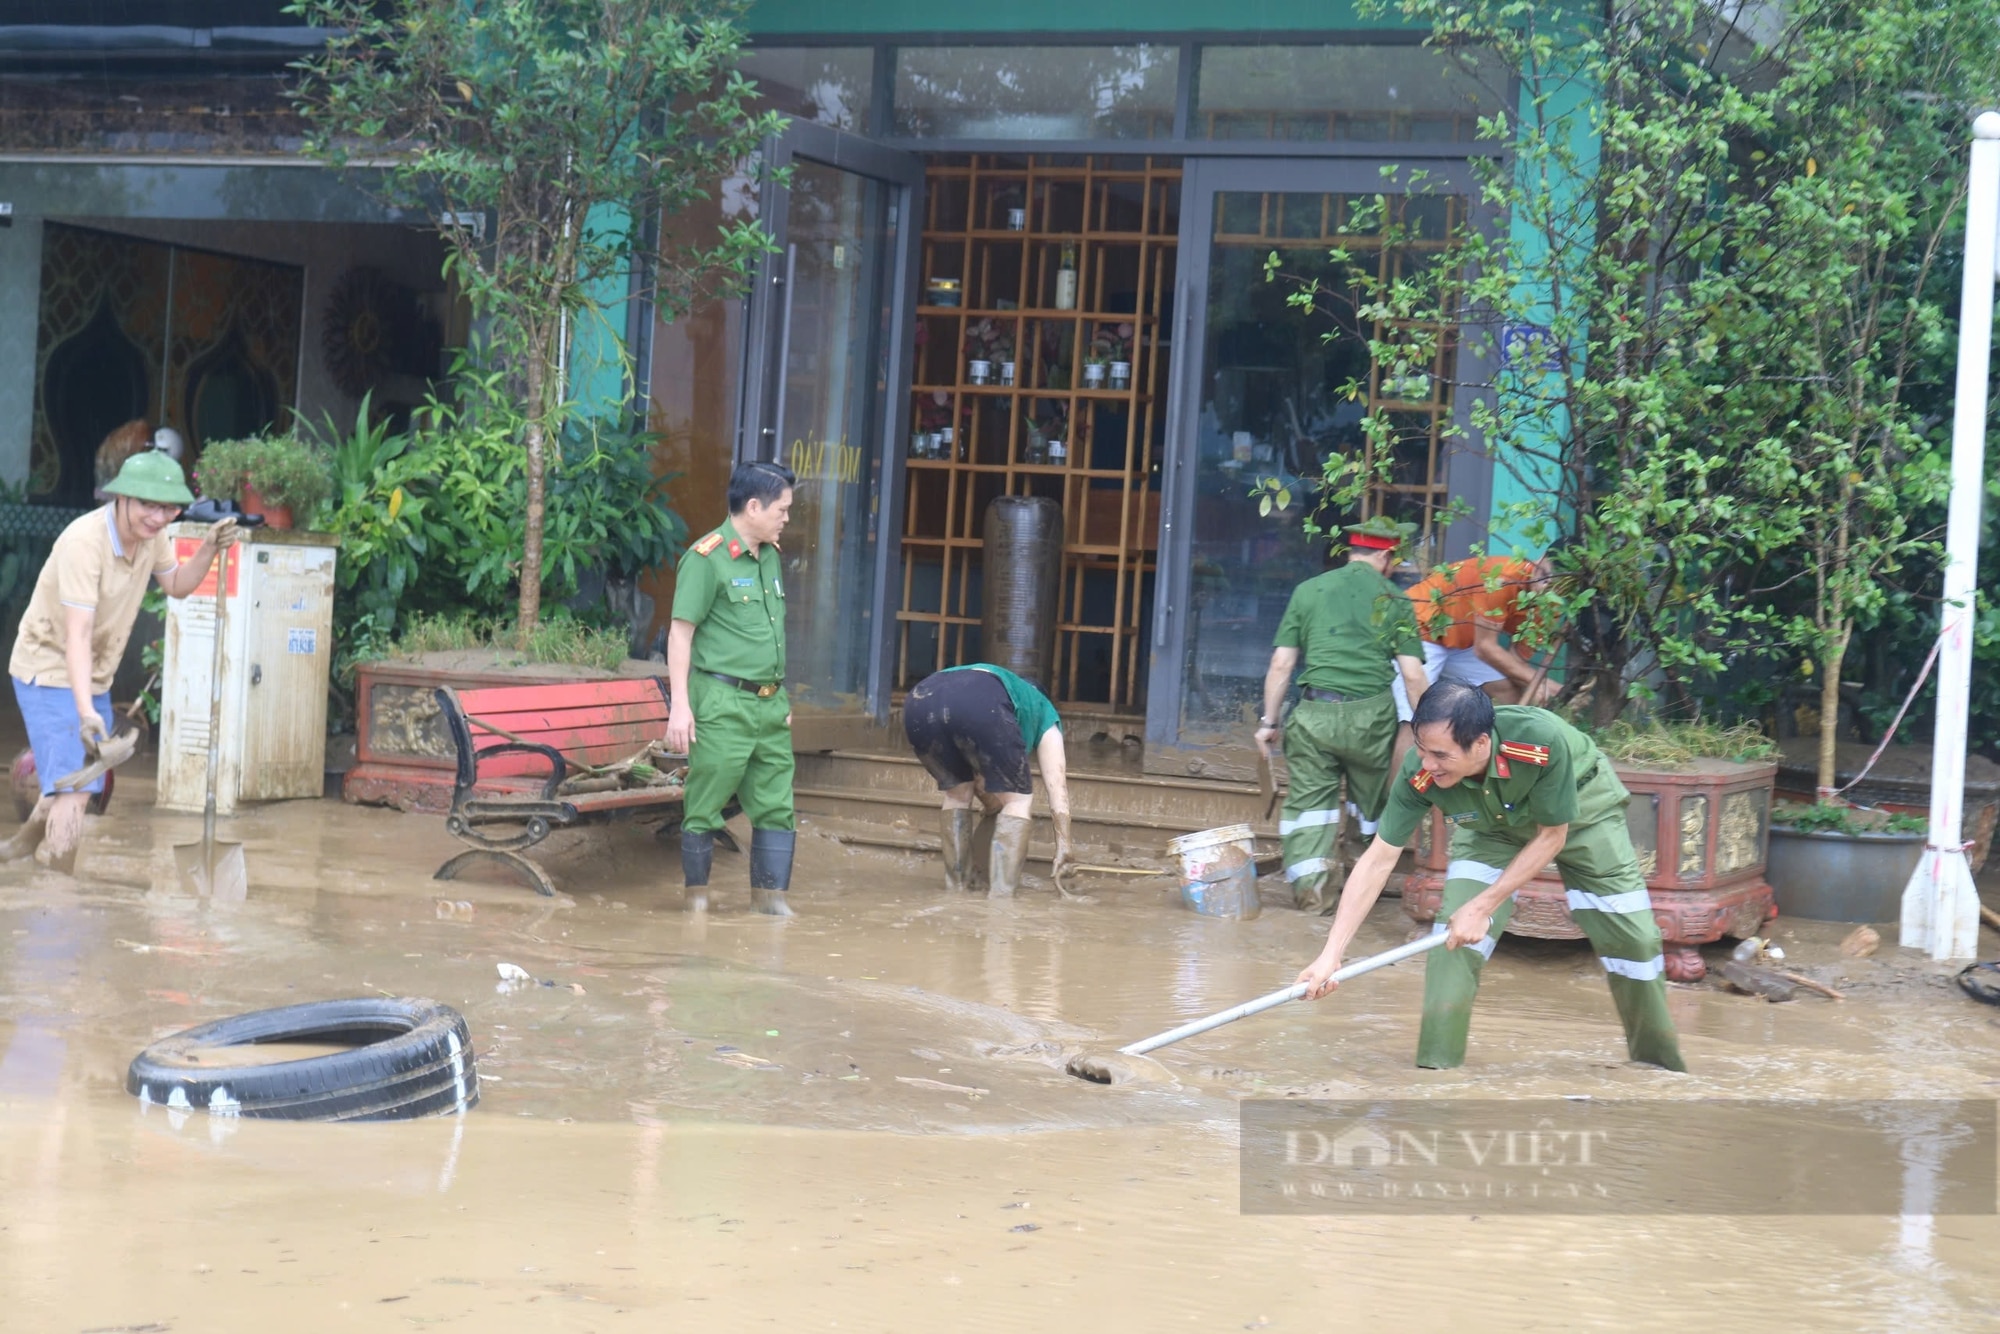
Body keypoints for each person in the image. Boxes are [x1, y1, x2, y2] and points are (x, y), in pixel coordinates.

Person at [1295, 682, 1686, 1072]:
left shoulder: (1539, 741)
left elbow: (1552, 836)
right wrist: (1331, 956)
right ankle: (1436, 1074)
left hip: (1583, 815)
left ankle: (1658, 1071)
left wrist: (1482, 905)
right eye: (1420, 749)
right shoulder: (1422, 770)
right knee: (1452, 941)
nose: (1426, 763)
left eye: (1440, 754)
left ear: (1481, 744)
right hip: (1490, 828)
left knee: (1635, 940)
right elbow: (1379, 859)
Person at [5, 449, 238, 871]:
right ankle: (58, 893)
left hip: (93, 675)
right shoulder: (83, 543)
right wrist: (83, 712)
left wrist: (207, 549)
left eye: (166, 507)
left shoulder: (154, 537)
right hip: (49, 664)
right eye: (147, 504)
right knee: (74, 789)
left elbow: (178, 585)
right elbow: (76, 634)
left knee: (80, 778)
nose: (156, 516)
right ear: (121, 499)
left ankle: (19, 847)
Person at [1256, 516, 1430, 914]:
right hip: (1372, 718)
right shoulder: (1395, 601)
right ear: (1386, 557)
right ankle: (1361, 895)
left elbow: (1282, 665)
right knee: (1370, 808)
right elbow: (1413, 675)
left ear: (1351, 552)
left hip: (1315, 713)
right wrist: (1430, 729)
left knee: (1310, 811)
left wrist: (1269, 724)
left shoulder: (1308, 590)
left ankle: (1313, 902)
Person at [666, 461, 797, 916]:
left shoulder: (772, 555)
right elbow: (680, 633)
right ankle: (696, 900)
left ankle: (771, 901)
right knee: (706, 801)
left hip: (770, 704)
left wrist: (781, 695)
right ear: (754, 506)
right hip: (722, 699)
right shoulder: (707, 558)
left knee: (777, 804)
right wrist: (679, 707)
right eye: (782, 509)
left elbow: (771, 630)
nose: (786, 518)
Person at [902, 663, 1074, 897]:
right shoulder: (1043, 710)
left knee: (957, 794)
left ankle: (958, 889)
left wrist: (993, 807)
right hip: (979, 701)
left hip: (919, 700)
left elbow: (981, 779)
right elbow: (1057, 788)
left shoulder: (999, 684)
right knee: (1018, 800)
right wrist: (1064, 845)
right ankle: (1001, 898)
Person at [1393, 549, 1562, 713]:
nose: (1542, 586)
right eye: (1543, 575)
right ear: (1539, 560)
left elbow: (1516, 662)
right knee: (1417, 715)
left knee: (1508, 690)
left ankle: (1505, 740)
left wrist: (1535, 688)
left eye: (1552, 583)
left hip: (1462, 643)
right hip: (1422, 626)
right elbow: (1485, 648)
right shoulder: (1501, 578)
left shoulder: (1551, 607)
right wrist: (1539, 682)